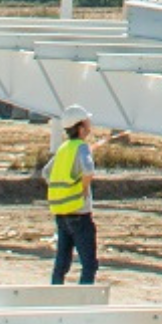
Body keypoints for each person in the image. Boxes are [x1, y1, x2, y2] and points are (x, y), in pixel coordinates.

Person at [43, 105, 102, 285]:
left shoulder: (63, 148)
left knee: (61, 263)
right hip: (79, 212)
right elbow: (89, 169)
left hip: (61, 212)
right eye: (87, 123)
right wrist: (82, 187)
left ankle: (55, 297)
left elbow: (46, 173)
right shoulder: (81, 147)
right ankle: (83, 303)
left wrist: (63, 190)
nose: (90, 127)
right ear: (80, 127)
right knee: (89, 264)